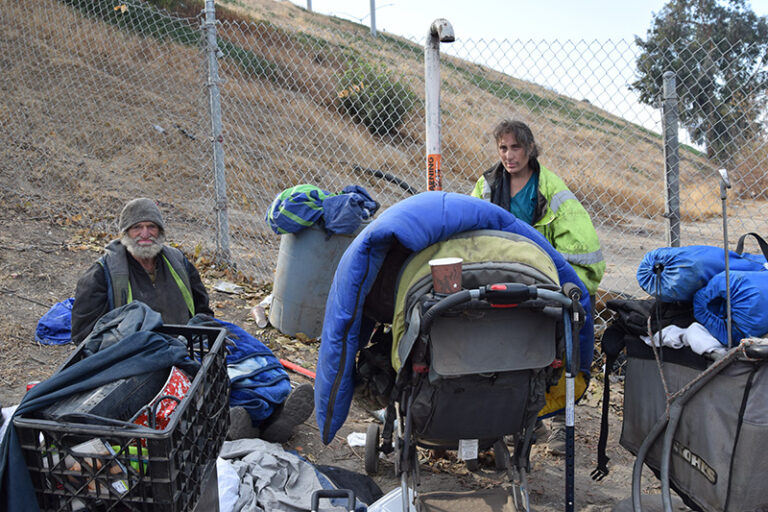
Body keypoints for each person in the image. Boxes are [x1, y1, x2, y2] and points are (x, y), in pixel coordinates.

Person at [71, 197, 313, 443]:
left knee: (246, 349)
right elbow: (85, 336)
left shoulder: (177, 261)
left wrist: (205, 327)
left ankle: (276, 411)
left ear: (160, 231)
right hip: (143, 352)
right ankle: (240, 419)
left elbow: (202, 309)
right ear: (125, 233)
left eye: (151, 227)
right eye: (137, 228)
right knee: (205, 379)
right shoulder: (102, 274)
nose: (145, 234)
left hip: (189, 336)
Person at [471, 120, 605, 455]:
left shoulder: (551, 189)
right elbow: (469, 232)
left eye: (515, 148)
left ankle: (561, 422)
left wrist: (564, 285)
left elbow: (582, 249)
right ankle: (517, 418)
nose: (509, 155)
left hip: (544, 281)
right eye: (503, 148)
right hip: (499, 280)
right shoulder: (486, 186)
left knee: (566, 338)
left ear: (530, 149)